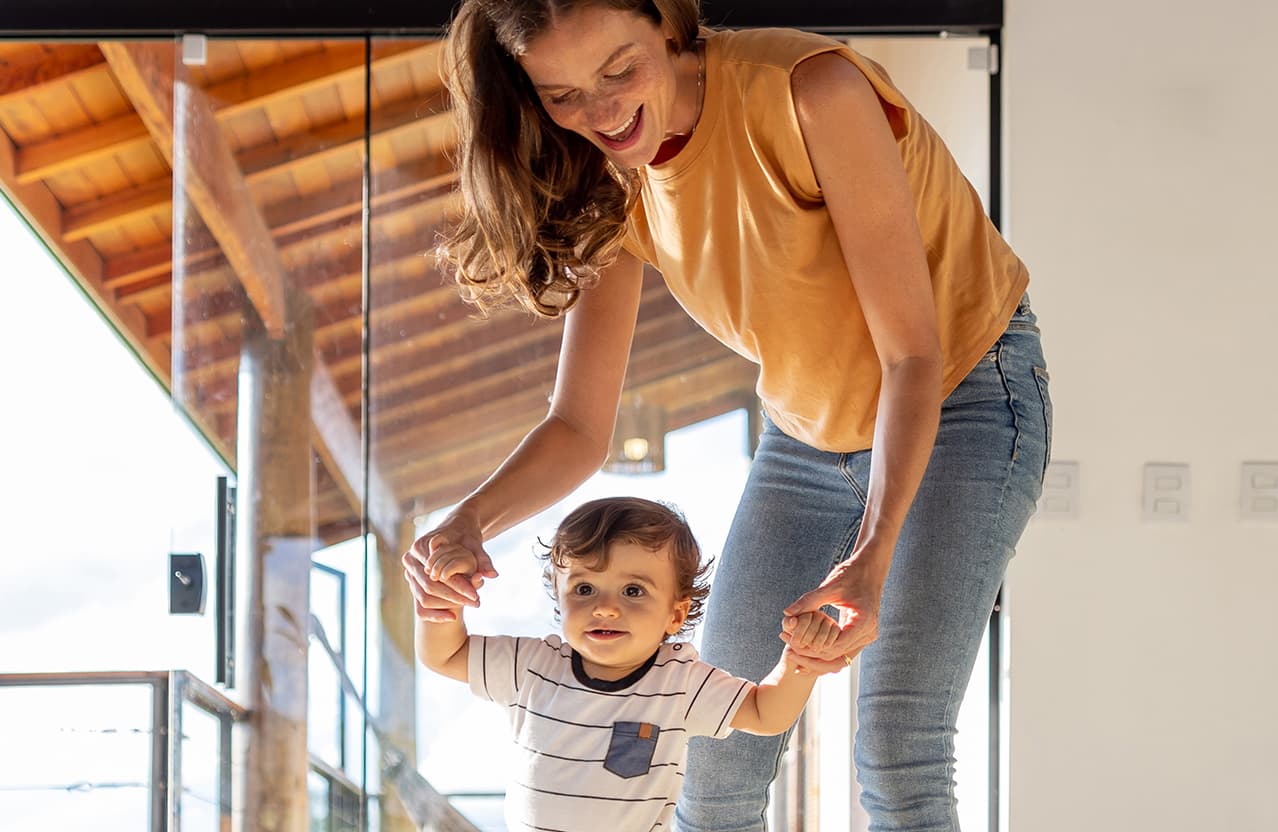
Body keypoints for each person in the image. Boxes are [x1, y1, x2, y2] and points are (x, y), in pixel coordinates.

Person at [401, 1, 1053, 829]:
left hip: (962, 395)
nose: (601, 115)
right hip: (806, 430)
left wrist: (872, 555)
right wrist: (468, 522)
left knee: (897, 742)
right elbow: (577, 427)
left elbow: (911, 357)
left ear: (666, 22)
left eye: (618, 70)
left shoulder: (810, 92)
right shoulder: (609, 177)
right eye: (562, 95)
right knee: (708, 750)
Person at [416, 496, 843, 832]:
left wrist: (801, 663)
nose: (604, 608)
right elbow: (445, 654)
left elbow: (766, 713)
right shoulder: (531, 664)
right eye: (584, 588)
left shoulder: (679, 683)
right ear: (558, 598)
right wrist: (441, 608)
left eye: (633, 592)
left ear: (676, 615)